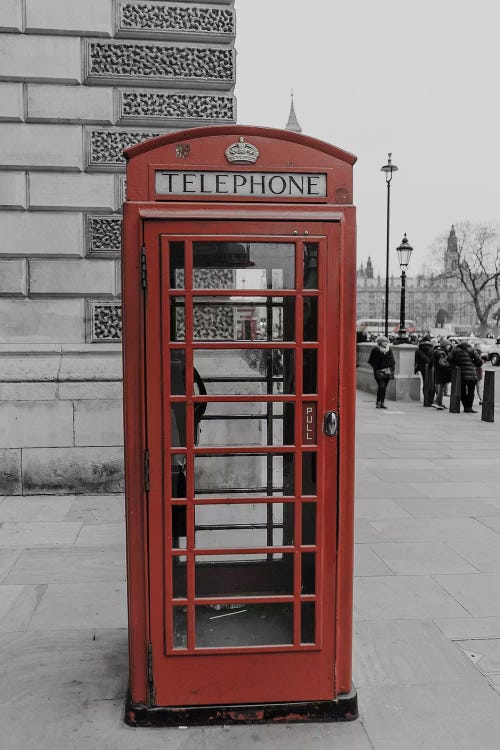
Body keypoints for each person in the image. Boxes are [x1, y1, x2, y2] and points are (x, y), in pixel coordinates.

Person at [449, 340, 483, 413]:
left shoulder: (455, 350)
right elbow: (479, 361)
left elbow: (449, 359)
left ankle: (465, 407)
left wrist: (456, 364)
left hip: (460, 374)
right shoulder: (471, 349)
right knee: (471, 391)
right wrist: (473, 363)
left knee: (462, 391)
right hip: (471, 374)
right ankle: (469, 407)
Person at [368, 336, 395, 409]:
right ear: (380, 343)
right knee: (382, 386)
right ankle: (378, 402)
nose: (386, 343)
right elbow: (371, 361)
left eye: (386, 341)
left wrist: (391, 369)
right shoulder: (375, 350)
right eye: (384, 341)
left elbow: (393, 361)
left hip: (387, 371)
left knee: (384, 388)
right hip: (379, 372)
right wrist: (376, 369)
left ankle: (381, 402)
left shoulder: (389, 350)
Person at [432, 339, 452, 409]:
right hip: (442, 372)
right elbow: (441, 362)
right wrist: (448, 366)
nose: (449, 346)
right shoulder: (442, 353)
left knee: (441, 388)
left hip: (438, 371)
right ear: (445, 345)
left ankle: (439, 402)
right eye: (448, 345)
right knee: (441, 388)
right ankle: (437, 402)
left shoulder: (437, 351)